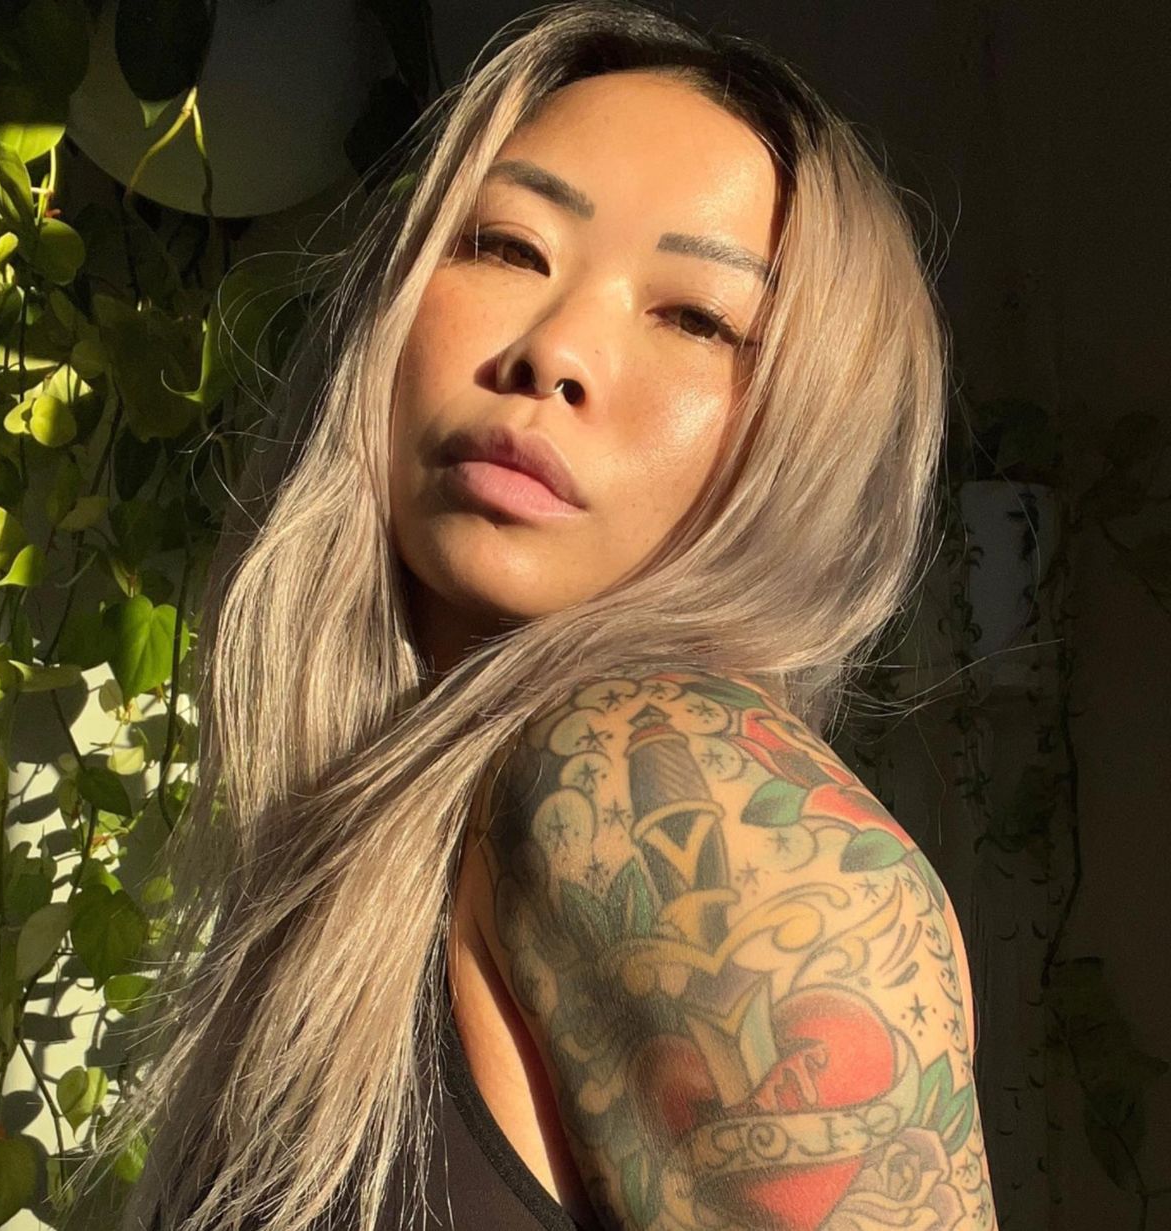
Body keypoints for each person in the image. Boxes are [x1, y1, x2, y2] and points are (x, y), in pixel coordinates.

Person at [84, 2, 998, 1230]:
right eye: (508, 247)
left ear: (807, 441)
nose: (556, 350)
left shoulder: (666, 785)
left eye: (696, 317)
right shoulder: (371, 844)